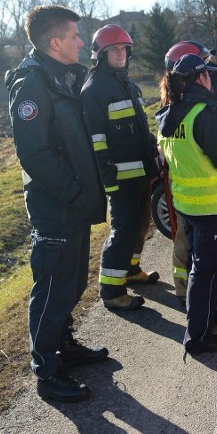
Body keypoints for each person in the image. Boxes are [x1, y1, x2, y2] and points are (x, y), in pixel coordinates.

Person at [6, 5, 108, 402]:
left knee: (71, 282)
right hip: (57, 206)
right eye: (75, 36)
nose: (82, 42)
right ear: (54, 42)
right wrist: (76, 192)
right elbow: (35, 154)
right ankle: (47, 371)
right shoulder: (32, 85)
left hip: (74, 204)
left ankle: (64, 347)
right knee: (51, 288)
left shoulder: (65, 78)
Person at [156, 54, 217, 356]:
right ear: (203, 78)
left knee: (201, 266)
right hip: (210, 206)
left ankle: (205, 316)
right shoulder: (202, 113)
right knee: (204, 271)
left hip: (188, 204)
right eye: (208, 74)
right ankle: (198, 338)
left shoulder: (169, 113)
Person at [80, 24, 160, 312]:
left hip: (140, 171)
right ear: (101, 55)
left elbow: (138, 128)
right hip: (120, 178)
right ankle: (112, 291)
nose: (120, 54)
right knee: (123, 230)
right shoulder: (94, 90)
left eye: (124, 49)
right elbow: (97, 141)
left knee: (141, 223)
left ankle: (131, 270)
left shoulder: (127, 84)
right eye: (114, 49)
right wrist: (108, 179)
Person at [162, 40, 217, 306]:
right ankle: (186, 289)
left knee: (190, 244)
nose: (208, 70)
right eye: (203, 66)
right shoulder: (181, 109)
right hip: (192, 194)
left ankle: (191, 287)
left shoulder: (175, 107)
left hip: (185, 192)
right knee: (185, 245)